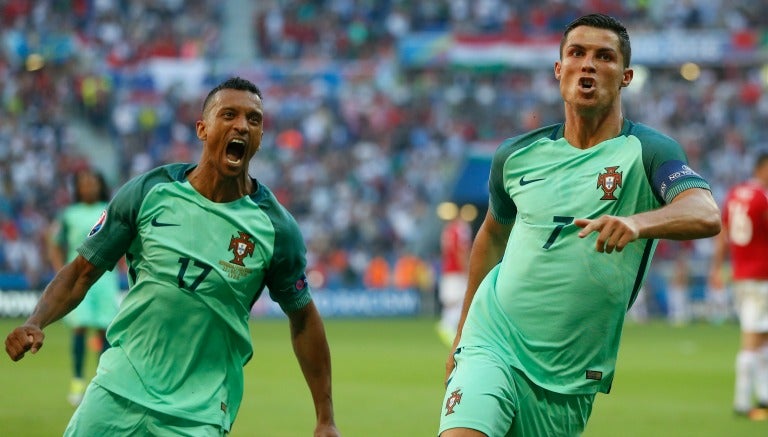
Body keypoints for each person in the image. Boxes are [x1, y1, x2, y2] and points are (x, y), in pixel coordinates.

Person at [5, 77, 340, 437]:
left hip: (199, 414)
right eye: (229, 114)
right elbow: (82, 271)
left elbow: (303, 319)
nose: (242, 125)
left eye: (253, 119)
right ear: (202, 128)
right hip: (118, 390)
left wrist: (325, 418)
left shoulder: (275, 229)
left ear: (259, 137)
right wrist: (36, 321)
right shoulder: (149, 192)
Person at [438, 14, 721, 436]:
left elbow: (706, 212)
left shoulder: (647, 151)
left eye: (603, 56)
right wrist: (462, 337)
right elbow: (493, 236)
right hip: (492, 343)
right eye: (577, 53)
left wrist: (637, 222)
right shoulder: (515, 157)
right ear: (559, 70)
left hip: (570, 376)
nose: (588, 64)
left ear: (625, 77)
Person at [47, 169, 121, 407]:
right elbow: (55, 243)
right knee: (79, 327)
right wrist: (60, 270)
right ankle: (78, 382)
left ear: (100, 185)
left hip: (105, 279)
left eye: (92, 182)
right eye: (84, 184)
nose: (88, 187)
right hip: (78, 277)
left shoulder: (109, 209)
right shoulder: (69, 214)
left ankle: (102, 383)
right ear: (77, 188)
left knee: (104, 330)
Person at [708, 151, 768, 420]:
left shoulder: (734, 194)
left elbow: (722, 234)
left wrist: (717, 267)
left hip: (741, 276)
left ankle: (764, 398)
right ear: (762, 168)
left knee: (761, 339)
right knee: (752, 341)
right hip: (763, 277)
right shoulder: (763, 198)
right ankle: (742, 403)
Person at [437, 215, 472, 346]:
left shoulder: (447, 230)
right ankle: (447, 327)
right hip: (456, 272)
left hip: (448, 271)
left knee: (454, 303)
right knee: (464, 301)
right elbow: (460, 252)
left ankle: (449, 329)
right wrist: (466, 271)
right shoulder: (460, 230)